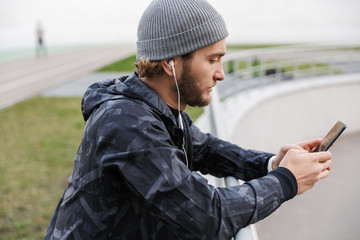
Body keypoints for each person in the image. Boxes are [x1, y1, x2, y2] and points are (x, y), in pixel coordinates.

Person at [44, 0, 332, 239]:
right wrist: (286, 181)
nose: (221, 73)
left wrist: (270, 164)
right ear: (171, 62)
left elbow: (205, 149)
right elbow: (207, 216)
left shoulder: (156, 107)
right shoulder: (126, 123)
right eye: (212, 59)